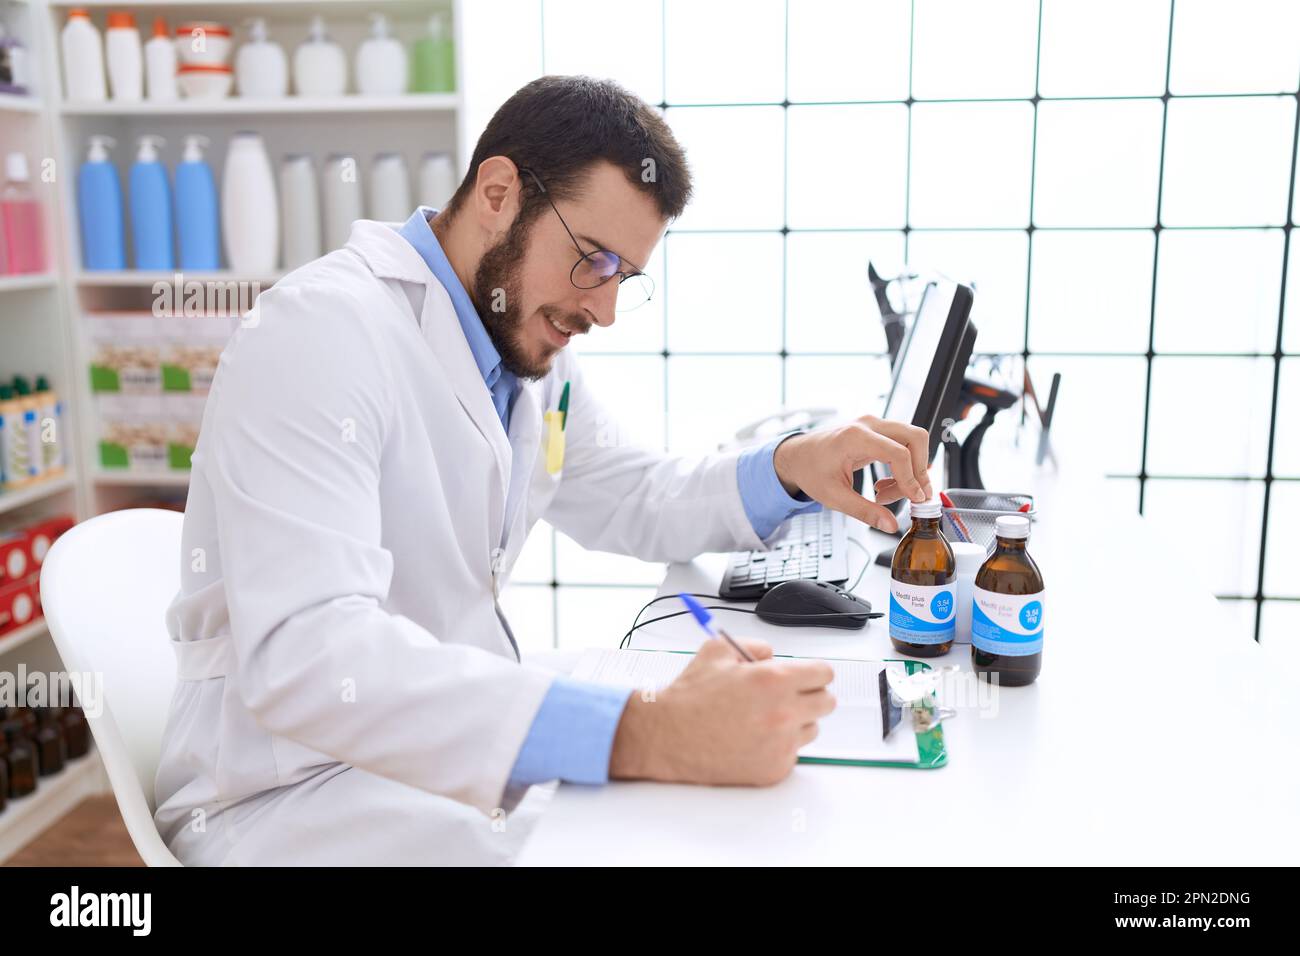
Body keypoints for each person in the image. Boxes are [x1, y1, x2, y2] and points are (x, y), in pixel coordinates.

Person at [154, 76, 933, 865]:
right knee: (637, 839)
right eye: (592, 259)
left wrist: (792, 467)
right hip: (286, 793)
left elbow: (635, 494)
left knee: (689, 808)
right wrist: (648, 732)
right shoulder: (319, 331)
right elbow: (312, 657)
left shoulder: (522, 352)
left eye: (623, 276)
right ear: (498, 192)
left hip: (425, 754)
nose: (604, 311)